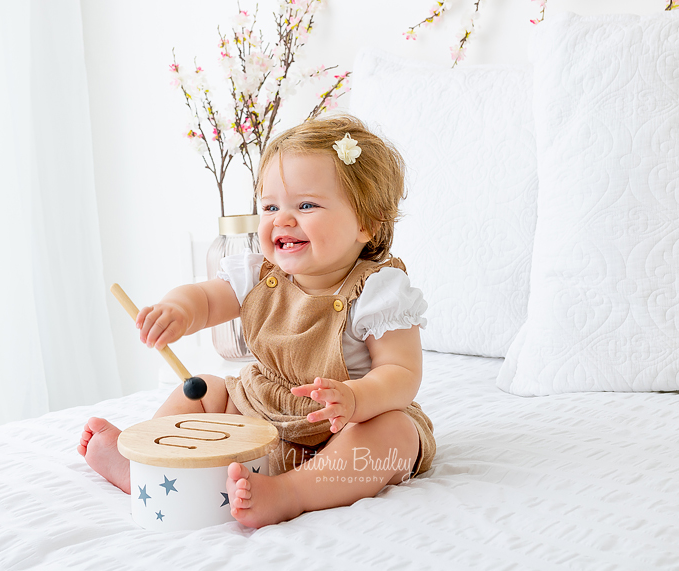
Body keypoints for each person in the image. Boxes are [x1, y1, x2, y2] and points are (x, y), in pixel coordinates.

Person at [78, 114, 436, 529]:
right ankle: (147, 466)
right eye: (270, 207)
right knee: (204, 392)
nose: (282, 219)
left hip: (338, 428)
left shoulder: (379, 290)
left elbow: (402, 372)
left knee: (394, 434)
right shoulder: (258, 274)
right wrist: (178, 310)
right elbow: (206, 298)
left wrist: (357, 399)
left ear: (366, 223)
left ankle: (292, 492)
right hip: (262, 409)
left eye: (306, 205)